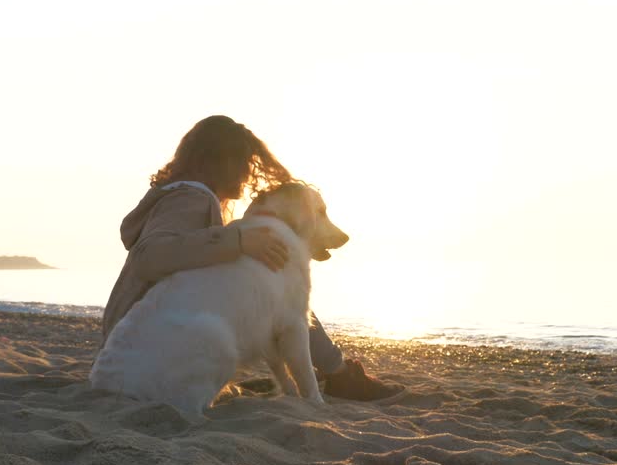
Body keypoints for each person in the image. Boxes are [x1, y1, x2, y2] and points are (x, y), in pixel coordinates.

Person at [101, 115, 402, 401]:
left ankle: (332, 370)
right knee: (289, 302)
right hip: (152, 341)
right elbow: (149, 257)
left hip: (142, 341)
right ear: (218, 162)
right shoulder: (190, 198)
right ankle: (338, 373)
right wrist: (239, 241)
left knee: (283, 294)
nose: (248, 174)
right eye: (243, 163)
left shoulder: (187, 196)